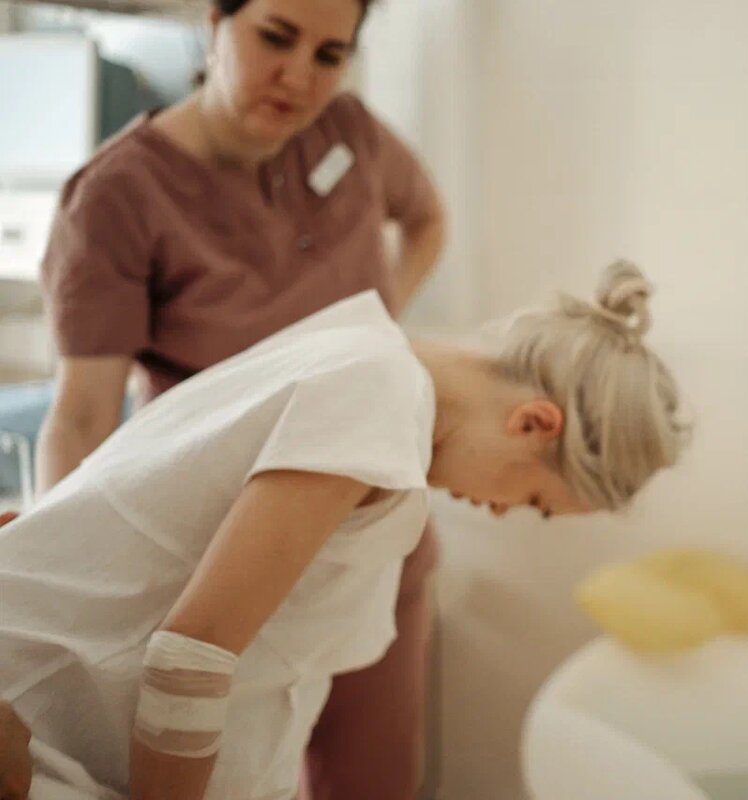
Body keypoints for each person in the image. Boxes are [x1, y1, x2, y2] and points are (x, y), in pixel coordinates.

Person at [0, 263, 689, 799]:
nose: (504, 511)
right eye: (535, 500)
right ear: (534, 424)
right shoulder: (377, 398)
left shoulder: (363, 349)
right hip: (42, 744)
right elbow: (192, 656)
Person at [32, 0, 444, 794]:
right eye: (275, 38)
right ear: (215, 22)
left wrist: (377, 331)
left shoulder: (349, 135)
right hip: (230, 573)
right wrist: (62, 614)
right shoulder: (120, 196)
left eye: (329, 55)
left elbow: (427, 218)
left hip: (375, 547)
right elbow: (81, 416)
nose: (299, 77)